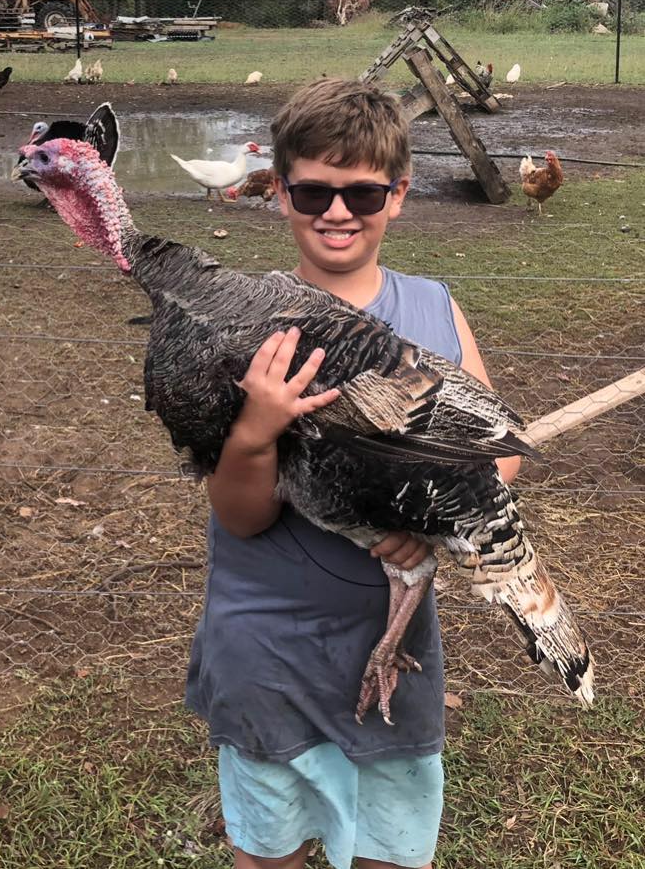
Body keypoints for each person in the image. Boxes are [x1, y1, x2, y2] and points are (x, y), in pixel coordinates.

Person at [185, 78, 521, 869]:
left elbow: (497, 450)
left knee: (389, 846)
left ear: (396, 197)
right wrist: (258, 428)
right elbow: (239, 516)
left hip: (391, 648)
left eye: (362, 193)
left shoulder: (433, 309)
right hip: (268, 649)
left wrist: (434, 525)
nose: (337, 212)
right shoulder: (243, 331)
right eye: (312, 191)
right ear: (279, 195)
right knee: (270, 848)